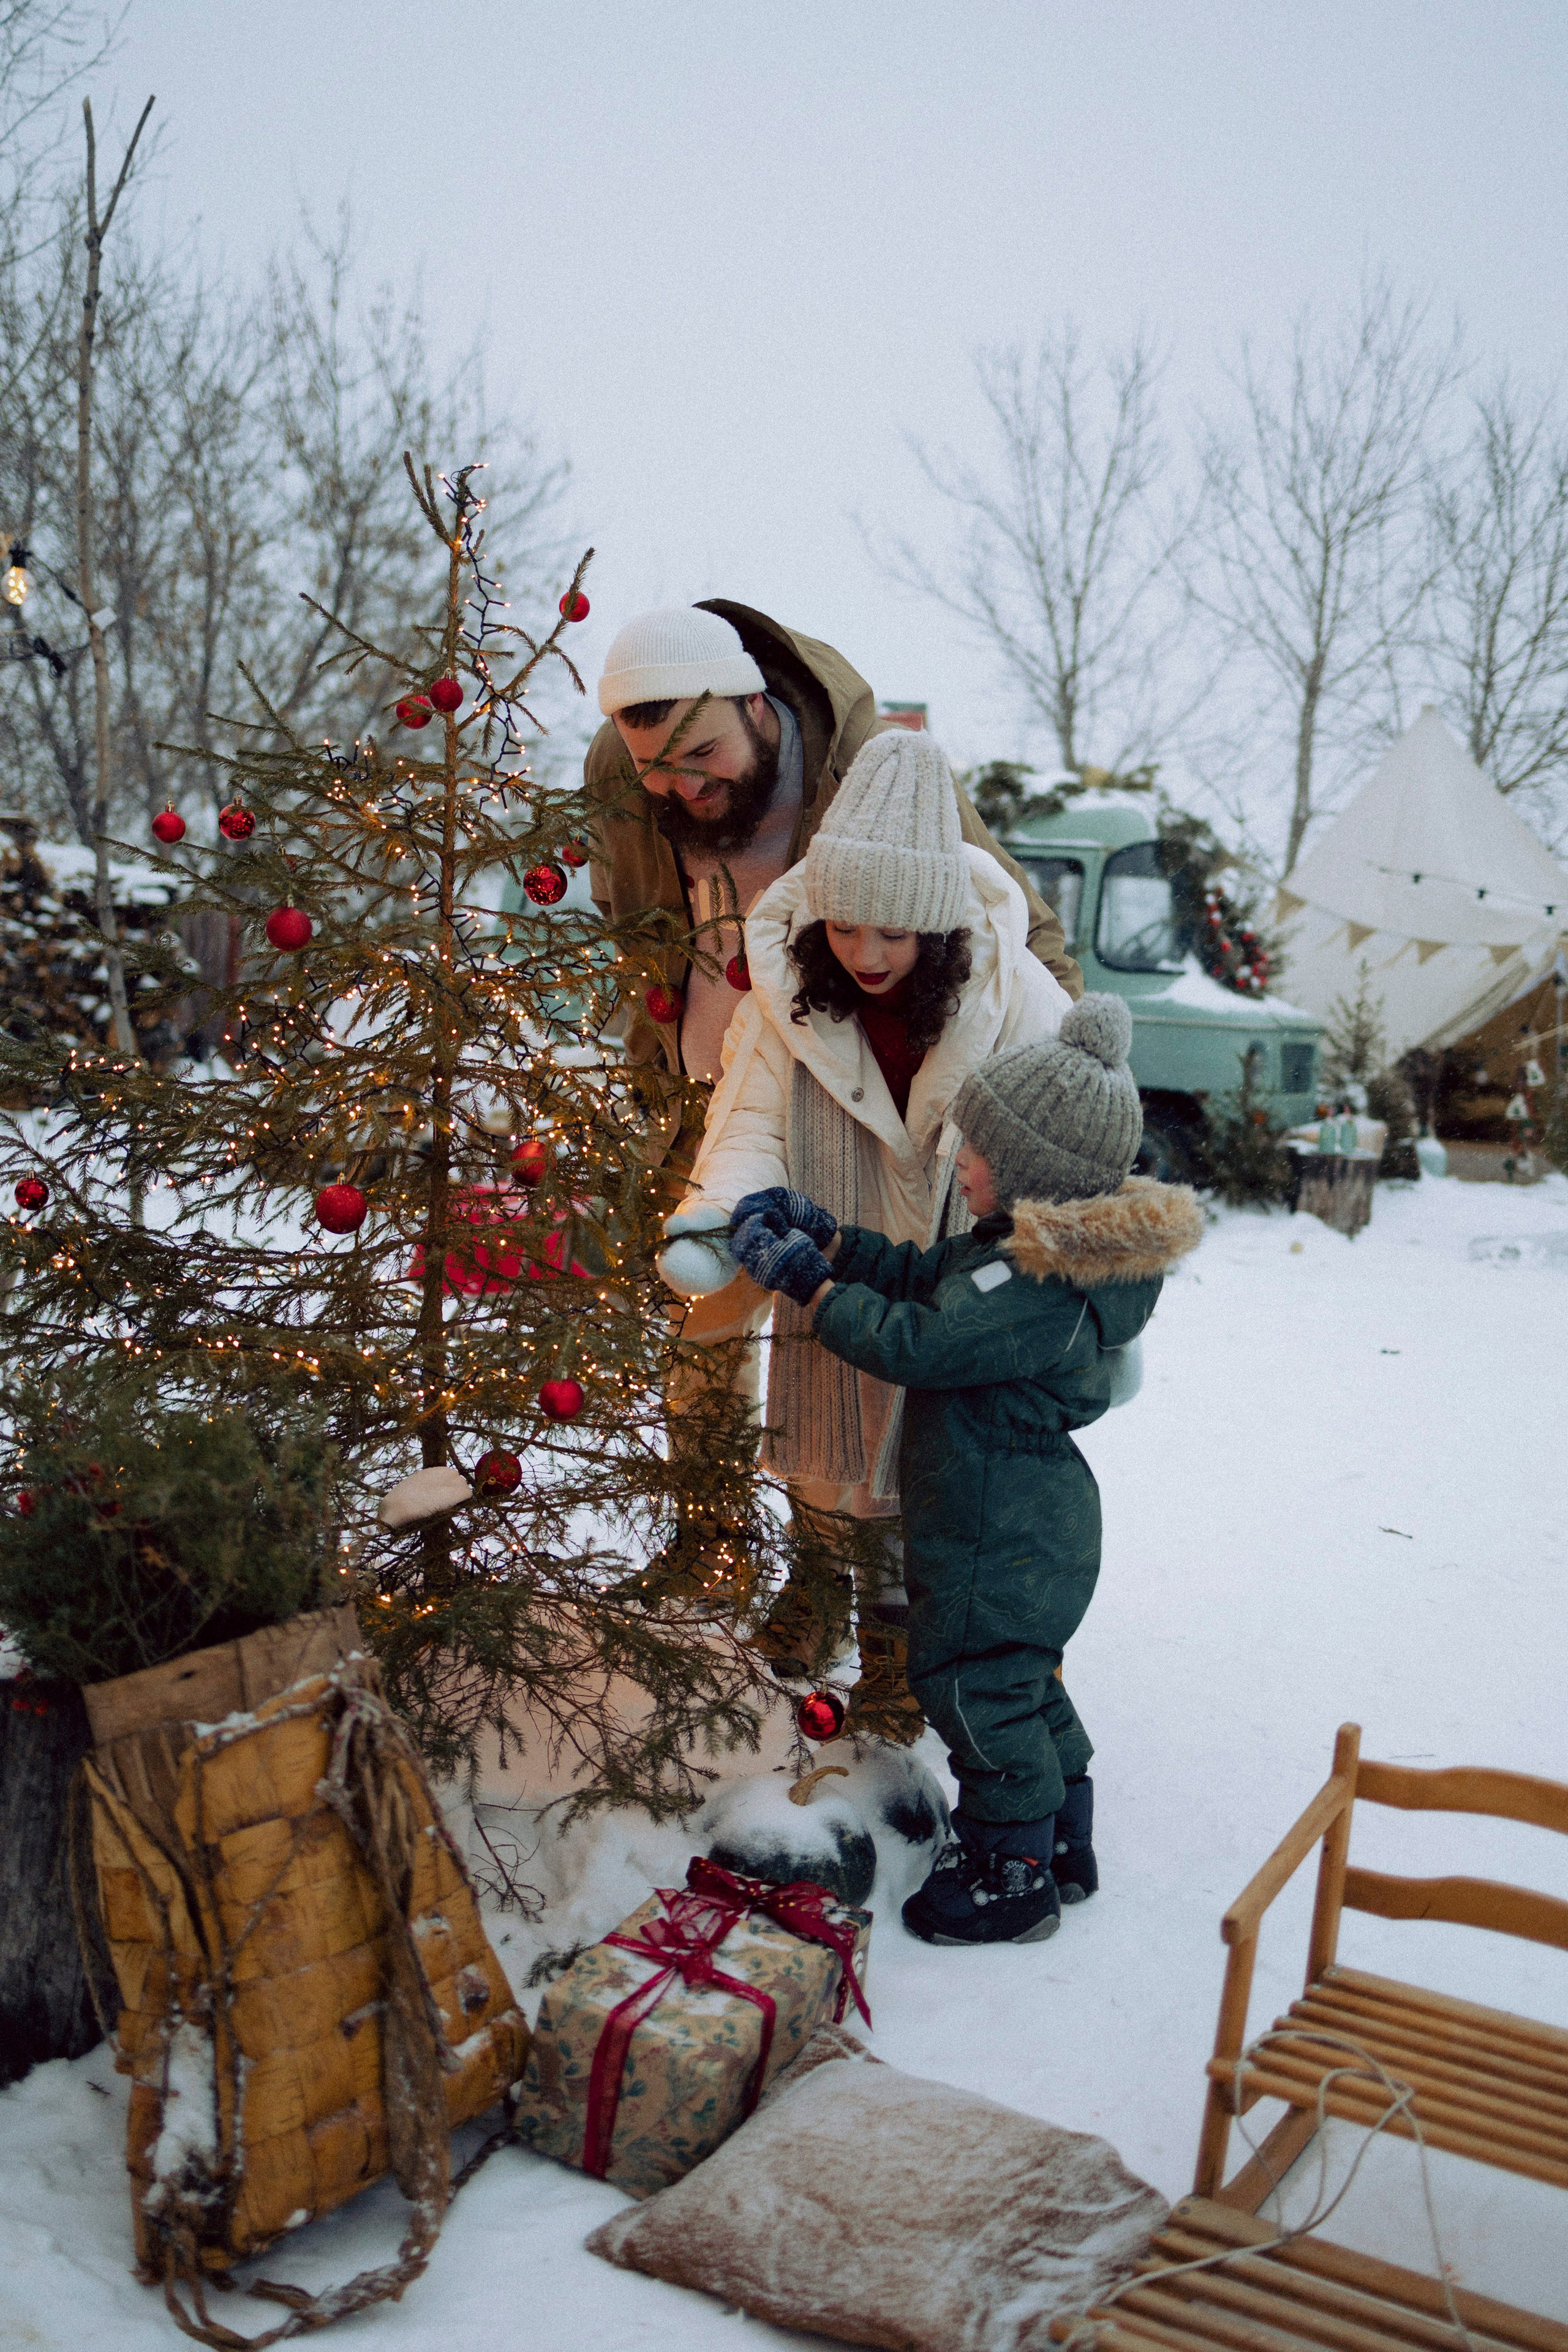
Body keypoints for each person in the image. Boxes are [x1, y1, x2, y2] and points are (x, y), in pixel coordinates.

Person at [584, 601, 1082, 1596]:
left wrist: (1065, 1092)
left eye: (703, 760)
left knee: (853, 1349)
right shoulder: (620, 770)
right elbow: (627, 914)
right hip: (715, 1093)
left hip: (865, 1106)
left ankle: (862, 1591)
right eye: (657, 776)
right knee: (702, 1331)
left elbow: (1006, 922)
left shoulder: (876, 767)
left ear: (759, 709)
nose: (680, 789)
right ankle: (715, 1551)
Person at [729, 995, 1203, 1944]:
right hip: (1016, 1517)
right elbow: (924, 1277)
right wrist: (833, 1243)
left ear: (1033, 1179)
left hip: (1004, 1529)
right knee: (1023, 1683)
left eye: (981, 1155)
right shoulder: (1013, 1257)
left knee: (972, 1685)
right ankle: (1064, 1838)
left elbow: (922, 1340)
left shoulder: (1044, 1292)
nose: (964, 1164)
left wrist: (809, 1287)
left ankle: (1008, 1872)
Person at [671, 726, 1072, 1741]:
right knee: (821, 1437)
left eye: (893, 934)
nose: (866, 954)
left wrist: (1056, 1278)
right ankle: (817, 1589)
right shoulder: (790, 995)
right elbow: (753, 1118)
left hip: (950, 1263)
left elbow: (1068, 1141)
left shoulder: (1014, 996)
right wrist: (721, 1216)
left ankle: (898, 1645)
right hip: (836, 1242)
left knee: (922, 1460)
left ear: (937, 928)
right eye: (846, 928)